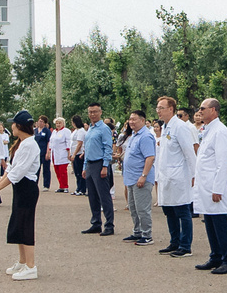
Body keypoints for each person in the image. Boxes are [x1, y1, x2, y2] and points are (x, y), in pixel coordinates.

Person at [192, 96, 227, 274]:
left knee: (220, 222)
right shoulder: (208, 129)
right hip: (206, 184)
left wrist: (218, 188)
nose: (200, 111)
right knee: (210, 221)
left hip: (215, 185)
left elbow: (222, 162)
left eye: (203, 108)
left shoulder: (220, 131)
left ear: (213, 110)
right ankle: (216, 255)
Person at [154, 95, 200, 256]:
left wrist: (195, 174)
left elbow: (189, 152)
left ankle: (185, 245)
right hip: (166, 176)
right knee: (169, 210)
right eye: (157, 108)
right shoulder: (165, 127)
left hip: (179, 176)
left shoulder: (180, 127)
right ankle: (174, 241)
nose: (158, 111)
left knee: (182, 210)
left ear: (171, 109)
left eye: (161, 108)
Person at [0, 111, 43, 279]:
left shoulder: (30, 145)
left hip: (27, 188)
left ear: (19, 126)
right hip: (19, 188)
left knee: (25, 225)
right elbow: (10, 168)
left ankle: (31, 266)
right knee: (18, 224)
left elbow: (17, 173)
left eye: (13, 124)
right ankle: (23, 261)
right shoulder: (22, 143)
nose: (11, 127)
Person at [121, 108, 159, 244]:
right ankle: (137, 231)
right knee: (133, 207)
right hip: (131, 178)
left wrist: (144, 175)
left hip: (140, 178)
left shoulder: (145, 136)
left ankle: (147, 235)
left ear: (143, 120)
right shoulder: (134, 136)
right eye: (130, 119)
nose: (131, 122)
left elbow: (149, 157)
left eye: (134, 119)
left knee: (142, 208)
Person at [79, 103, 115, 235]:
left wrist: (105, 166)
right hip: (90, 164)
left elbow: (108, 148)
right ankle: (96, 223)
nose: (92, 114)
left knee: (104, 196)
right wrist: (85, 167)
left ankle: (109, 225)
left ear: (100, 112)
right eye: (90, 112)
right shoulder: (90, 129)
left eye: (95, 112)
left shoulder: (103, 128)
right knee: (92, 196)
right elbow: (87, 149)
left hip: (100, 163)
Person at [47, 118, 73, 194]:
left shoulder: (66, 131)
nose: (58, 125)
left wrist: (69, 152)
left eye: (60, 123)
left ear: (63, 123)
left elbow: (68, 141)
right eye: (57, 123)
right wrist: (49, 150)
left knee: (63, 171)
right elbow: (51, 141)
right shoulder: (54, 132)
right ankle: (61, 186)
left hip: (62, 152)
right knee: (57, 170)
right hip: (54, 153)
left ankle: (65, 186)